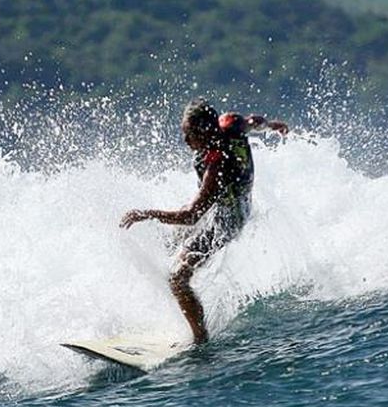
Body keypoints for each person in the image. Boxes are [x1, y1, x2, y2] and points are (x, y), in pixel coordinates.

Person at [120, 98, 288, 344]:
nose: (185, 140)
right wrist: (272, 125)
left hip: (229, 218)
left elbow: (191, 215)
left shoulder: (218, 164)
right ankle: (173, 313)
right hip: (219, 208)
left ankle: (201, 340)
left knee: (178, 278)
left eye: (189, 134)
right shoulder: (232, 124)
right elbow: (253, 122)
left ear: (204, 131)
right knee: (168, 244)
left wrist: (148, 214)